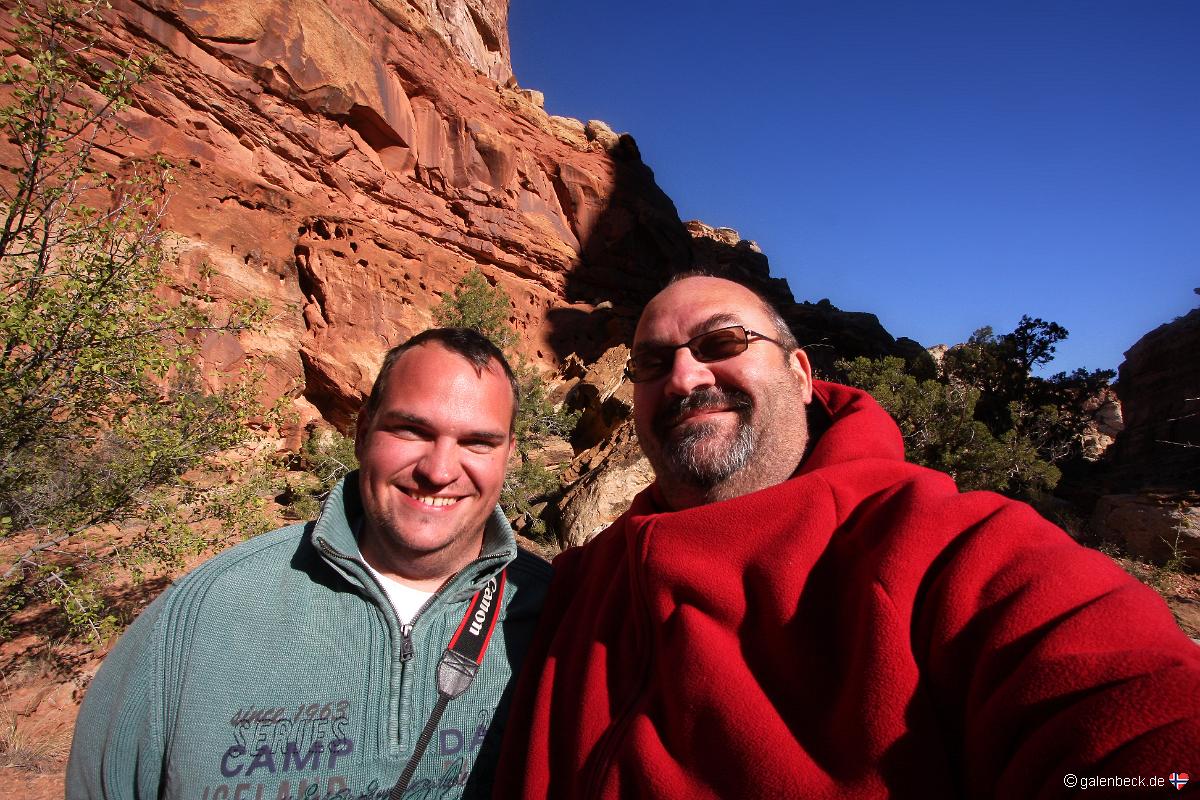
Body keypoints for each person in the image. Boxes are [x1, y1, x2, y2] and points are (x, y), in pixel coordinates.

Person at [495, 275, 1200, 798]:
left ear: (800, 375)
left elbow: (1143, 728)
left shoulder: (946, 544)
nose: (684, 375)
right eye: (652, 363)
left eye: (722, 343)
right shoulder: (583, 577)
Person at [68, 328, 551, 800]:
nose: (440, 470)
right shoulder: (203, 614)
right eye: (411, 430)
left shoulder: (556, 615)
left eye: (478, 443)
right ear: (362, 433)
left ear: (508, 455)